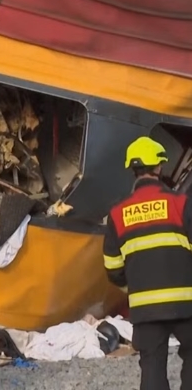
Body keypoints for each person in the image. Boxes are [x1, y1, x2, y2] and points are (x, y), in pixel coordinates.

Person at [103, 136, 192, 390]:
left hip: (146, 309)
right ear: (159, 167)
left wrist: (136, 289)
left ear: (133, 170)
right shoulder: (180, 203)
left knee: (152, 367)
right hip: (186, 305)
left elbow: (112, 267)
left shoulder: (118, 213)